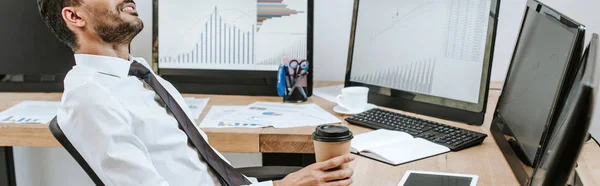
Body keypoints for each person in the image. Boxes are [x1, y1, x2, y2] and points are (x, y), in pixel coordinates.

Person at [36, 0, 355, 185]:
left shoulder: (139, 74)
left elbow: (208, 174)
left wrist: (281, 185)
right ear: (74, 16)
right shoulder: (89, 96)